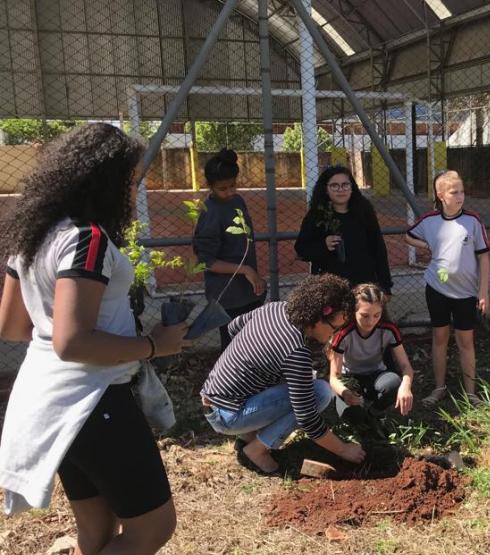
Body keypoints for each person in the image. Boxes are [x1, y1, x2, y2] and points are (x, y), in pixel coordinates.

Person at [0, 123, 191, 554]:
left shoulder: (34, 236)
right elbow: (73, 342)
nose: (132, 189)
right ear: (105, 178)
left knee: (97, 530)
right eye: (129, 178)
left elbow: (13, 328)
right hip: (93, 401)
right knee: (153, 527)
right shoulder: (87, 239)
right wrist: (154, 345)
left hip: (46, 402)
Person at [200, 274, 365, 475]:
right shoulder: (296, 352)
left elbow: (234, 327)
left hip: (212, 398)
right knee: (320, 392)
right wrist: (344, 449)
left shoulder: (275, 309)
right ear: (318, 316)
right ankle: (257, 450)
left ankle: (247, 436)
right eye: (334, 328)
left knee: (300, 385)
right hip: (227, 415)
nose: (335, 334)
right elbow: (307, 419)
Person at [405, 170, 490, 407]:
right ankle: (439, 387)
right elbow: (408, 236)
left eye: (462, 191)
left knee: (466, 341)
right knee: (439, 337)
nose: (460, 196)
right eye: (454, 192)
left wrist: (483, 291)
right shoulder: (430, 221)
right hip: (437, 290)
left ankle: (471, 393)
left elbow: (484, 257)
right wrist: (427, 245)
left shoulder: (472, 221)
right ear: (441, 195)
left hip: (465, 293)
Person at [192, 148, 266, 350]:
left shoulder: (237, 201)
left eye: (233, 185)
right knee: (234, 348)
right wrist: (246, 270)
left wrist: (250, 273)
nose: (230, 192)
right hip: (228, 296)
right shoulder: (211, 214)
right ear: (210, 186)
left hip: (248, 290)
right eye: (223, 188)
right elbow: (206, 261)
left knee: (254, 345)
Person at [329, 283, 415, 436]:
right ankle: (361, 416)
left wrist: (406, 386)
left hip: (376, 375)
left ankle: (374, 413)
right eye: (365, 315)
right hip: (350, 379)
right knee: (354, 418)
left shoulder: (389, 330)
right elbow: (334, 377)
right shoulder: (343, 334)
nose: (371, 321)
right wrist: (346, 393)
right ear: (353, 311)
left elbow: (405, 366)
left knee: (395, 383)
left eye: (377, 315)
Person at [295, 165, 393, 294]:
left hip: (363, 284)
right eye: (334, 185)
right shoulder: (316, 216)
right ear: (326, 189)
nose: (341, 190)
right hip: (330, 287)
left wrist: (385, 286)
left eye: (345, 185)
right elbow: (302, 249)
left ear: (352, 188)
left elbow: (378, 248)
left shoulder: (364, 212)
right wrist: (323, 245)